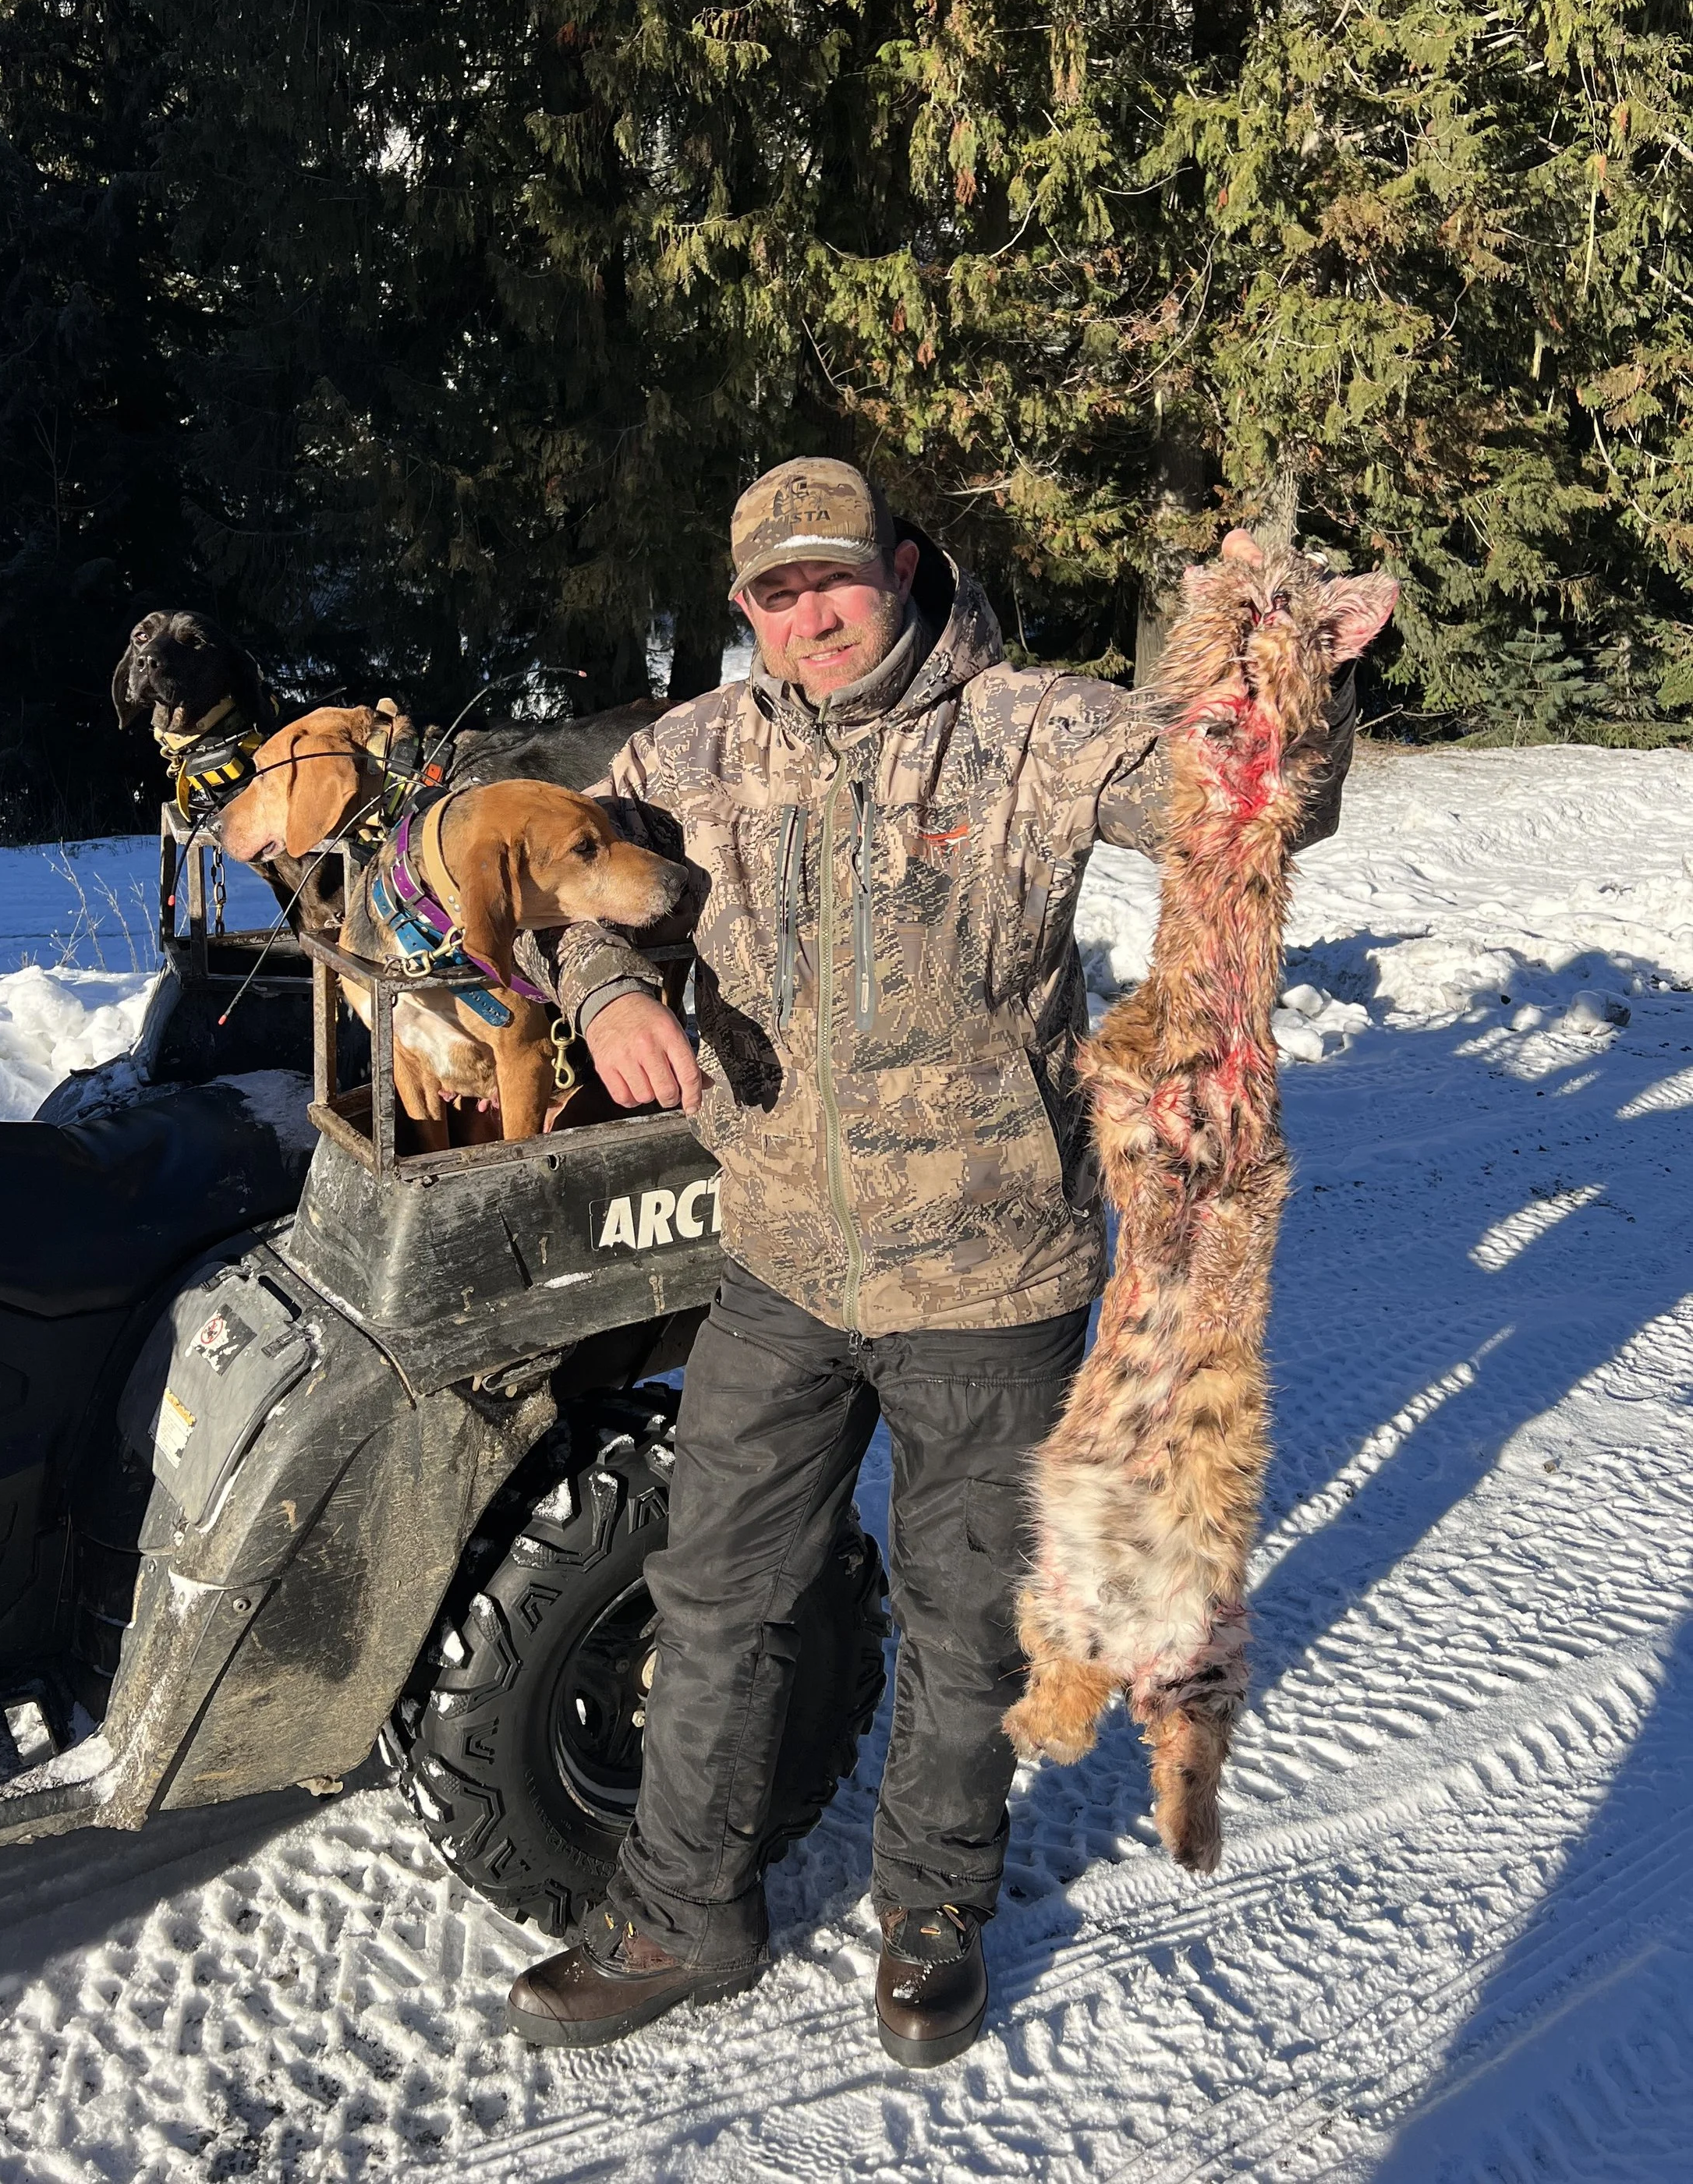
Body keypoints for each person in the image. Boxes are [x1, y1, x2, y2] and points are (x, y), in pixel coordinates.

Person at [505, 460, 1359, 2065]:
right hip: (776, 1256)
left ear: (899, 567)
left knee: (964, 1616)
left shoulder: (1031, 727)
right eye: (772, 593)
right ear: (741, 607)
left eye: (833, 579)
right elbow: (580, 894)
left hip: (992, 1276)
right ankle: (683, 1909)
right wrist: (610, 989)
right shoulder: (682, 754)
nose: (807, 616)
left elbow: (1252, 801)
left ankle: (928, 1910)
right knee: (713, 1596)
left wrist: (1286, 666)